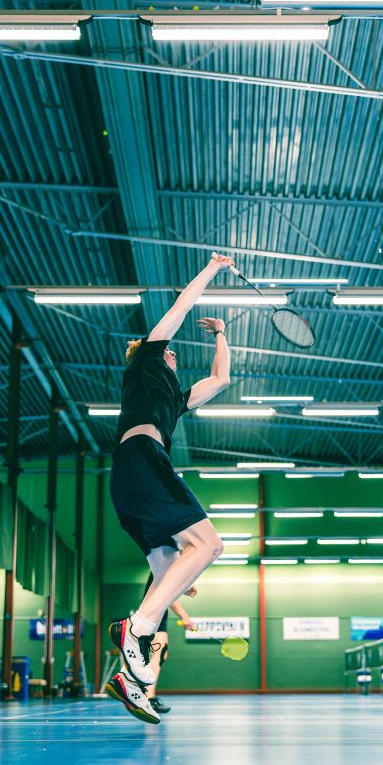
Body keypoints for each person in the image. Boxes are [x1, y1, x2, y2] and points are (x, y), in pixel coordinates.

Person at [104, 253, 234, 723]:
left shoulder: (173, 399)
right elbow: (181, 307)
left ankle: (132, 681)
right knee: (210, 545)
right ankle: (133, 628)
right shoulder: (144, 366)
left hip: (129, 478)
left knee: (168, 573)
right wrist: (214, 269)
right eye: (167, 350)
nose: (173, 354)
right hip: (143, 460)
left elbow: (220, 379)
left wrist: (222, 334)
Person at [141, 573, 196, 715]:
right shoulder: (166, 558)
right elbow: (166, 594)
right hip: (154, 614)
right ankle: (148, 699)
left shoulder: (163, 561)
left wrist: (184, 589)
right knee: (157, 656)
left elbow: (168, 588)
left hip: (156, 613)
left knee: (159, 656)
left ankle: (147, 697)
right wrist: (184, 616)